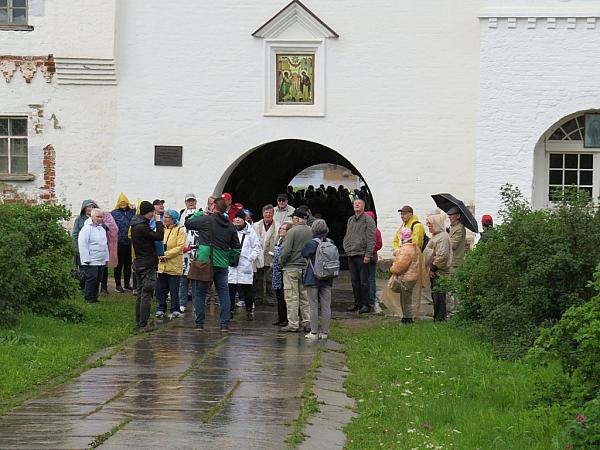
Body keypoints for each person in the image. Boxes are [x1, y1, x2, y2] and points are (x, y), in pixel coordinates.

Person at [185, 197, 241, 332]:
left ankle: (199, 323)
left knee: (200, 292)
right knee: (223, 293)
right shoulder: (230, 224)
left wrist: (199, 213)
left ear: (213, 207)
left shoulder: (206, 219)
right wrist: (228, 258)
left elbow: (188, 223)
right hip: (222, 263)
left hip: (205, 261)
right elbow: (236, 248)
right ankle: (224, 325)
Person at [130, 201, 164, 331]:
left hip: (139, 262)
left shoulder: (135, 225)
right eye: (152, 212)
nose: (153, 214)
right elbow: (159, 236)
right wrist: (158, 221)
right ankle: (143, 324)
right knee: (146, 294)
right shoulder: (142, 227)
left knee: (140, 294)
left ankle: (139, 322)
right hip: (147, 264)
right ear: (148, 212)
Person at [279, 208, 313, 332]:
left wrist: (281, 262)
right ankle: (307, 321)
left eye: (293, 218)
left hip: (291, 268)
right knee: (305, 297)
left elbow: (286, 251)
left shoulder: (292, 232)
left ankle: (293, 324)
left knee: (292, 297)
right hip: (306, 268)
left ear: (297, 219)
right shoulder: (312, 231)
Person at [301, 219, 333, 340]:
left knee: (313, 305)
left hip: (313, 277)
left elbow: (304, 254)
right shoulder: (331, 242)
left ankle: (314, 332)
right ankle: (324, 332)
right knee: (326, 305)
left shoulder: (311, 243)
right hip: (328, 277)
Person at [343, 199, 376, 314]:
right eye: (355, 203)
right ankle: (357, 303)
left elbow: (372, 238)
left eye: (359, 203)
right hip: (351, 254)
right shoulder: (350, 219)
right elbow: (348, 235)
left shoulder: (368, 219)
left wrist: (368, 254)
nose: (357, 205)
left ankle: (366, 305)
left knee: (364, 282)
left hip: (362, 254)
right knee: (354, 281)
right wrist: (346, 246)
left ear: (363, 206)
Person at [229, 210, 262, 321]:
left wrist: (250, 259)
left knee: (247, 289)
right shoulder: (230, 230)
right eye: (236, 218)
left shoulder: (251, 232)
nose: (237, 220)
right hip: (232, 263)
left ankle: (249, 311)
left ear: (244, 220)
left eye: (240, 218)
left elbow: (257, 247)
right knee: (231, 289)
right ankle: (230, 311)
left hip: (245, 264)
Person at [156, 210, 186, 319]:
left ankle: (175, 308)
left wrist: (165, 255)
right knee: (160, 289)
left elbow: (179, 247)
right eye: (164, 217)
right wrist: (158, 254)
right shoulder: (161, 230)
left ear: (173, 219)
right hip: (161, 265)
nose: (165, 219)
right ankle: (160, 308)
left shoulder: (180, 231)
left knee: (174, 289)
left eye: (167, 217)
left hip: (173, 264)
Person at [424, 214, 452, 321]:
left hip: (440, 272)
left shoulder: (443, 237)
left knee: (439, 296)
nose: (428, 226)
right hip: (435, 271)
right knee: (435, 295)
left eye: (430, 224)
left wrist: (433, 268)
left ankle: (440, 318)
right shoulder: (436, 236)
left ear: (436, 224)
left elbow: (442, 256)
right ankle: (437, 317)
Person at [77, 208, 109, 303]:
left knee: (98, 279)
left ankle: (95, 297)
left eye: (101, 217)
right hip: (91, 259)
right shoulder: (86, 228)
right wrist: (86, 259)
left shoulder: (101, 229)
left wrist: (106, 258)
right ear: (92, 217)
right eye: (97, 217)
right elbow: (83, 244)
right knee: (92, 278)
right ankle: (88, 298)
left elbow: (104, 244)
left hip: (101, 259)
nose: (99, 219)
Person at [390, 228, 421, 323]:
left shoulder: (405, 250)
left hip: (406, 278)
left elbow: (399, 267)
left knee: (405, 299)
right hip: (413, 276)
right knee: (409, 297)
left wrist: (392, 269)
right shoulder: (415, 247)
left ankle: (407, 318)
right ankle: (408, 316)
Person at [179, 193, 200, 312]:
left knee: (195, 281)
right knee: (183, 279)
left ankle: (197, 304)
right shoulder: (182, 214)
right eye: (188, 201)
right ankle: (182, 303)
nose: (190, 203)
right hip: (184, 251)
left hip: (196, 251)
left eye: (192, 201)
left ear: (195, 202)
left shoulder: (199, 214)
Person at [72, 199, 99, 289]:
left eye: (92, 207)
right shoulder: (79, 219)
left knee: (92, 271)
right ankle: (82, 288)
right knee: (83, 269)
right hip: (82, 248)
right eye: (89, 207)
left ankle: (90, 288)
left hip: (94, 250)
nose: (91, 208)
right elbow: (75, 234)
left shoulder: (97, 218)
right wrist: (77, 249)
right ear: (84, 208)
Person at [253, 204, 277, 305]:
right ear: (263, 213)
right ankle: (258, 298)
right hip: (259, 256)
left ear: (273, 214)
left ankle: (271, 299)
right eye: (266, 212)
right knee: (258, 279)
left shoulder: (278, 226)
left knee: (270, 279)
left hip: (271, 256)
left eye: (270, 213)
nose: (268, 214)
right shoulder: (256, 225)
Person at [111, 193, 135, 292]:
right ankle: (117, 284)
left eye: (125, 202)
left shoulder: (131, 212)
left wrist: (134, 209)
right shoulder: (114, 213)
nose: (123, 204)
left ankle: (126, 284)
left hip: (130, 241)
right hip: (119, 242)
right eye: (121, 203)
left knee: (128, 264)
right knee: (119, 264)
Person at [271, 222, 292, 327]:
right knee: (279, 296)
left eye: (283, 229)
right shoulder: (278, 240)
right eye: (280, 228)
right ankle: (280, 317)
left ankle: (286, 318)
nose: (280, 230)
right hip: (276, 271)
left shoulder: (287, 241)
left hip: (283, 270)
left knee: (285, 297)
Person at [365, 211, 383, 314]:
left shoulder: (369, 230)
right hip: (372, 256)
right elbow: (379, 244)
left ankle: (370, 298)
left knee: (368, 278)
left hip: (368, 257)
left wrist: (369, 250)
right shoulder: (377, 231)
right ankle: (371, 298)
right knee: (370, 278)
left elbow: (378, 244)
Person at [100, 210, 118, 294]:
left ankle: (104, 287)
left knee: (104, 268)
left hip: (104, 247)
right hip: (93, 250)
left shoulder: (107, 217)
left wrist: (105, 226)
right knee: (93, 270)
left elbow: (114, 228)